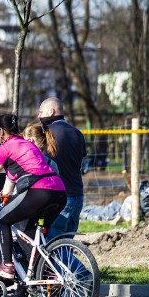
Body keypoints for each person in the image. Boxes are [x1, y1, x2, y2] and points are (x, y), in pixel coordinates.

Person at [0, 114, 66, 282]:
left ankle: (7, 266)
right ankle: (45, 280)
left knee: (2, 220)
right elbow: (9, 183)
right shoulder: (26, 145)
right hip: (59, 192)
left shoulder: (6, 147)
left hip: (39, 191)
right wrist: (2, 197)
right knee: (34, 242)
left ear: (1, 131)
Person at [37, 97, 86, 240]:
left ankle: (78, 264)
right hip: (77, 195)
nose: (39, 116)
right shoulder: (77, 133)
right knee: (67, 243)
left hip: (59, 197)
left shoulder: (47, 134)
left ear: (51, 111)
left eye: (41, 112)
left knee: (53, 245)